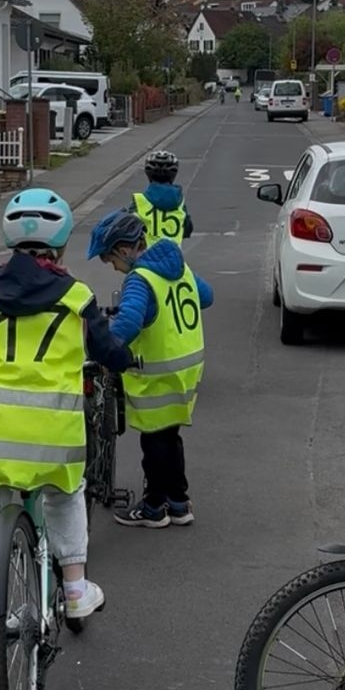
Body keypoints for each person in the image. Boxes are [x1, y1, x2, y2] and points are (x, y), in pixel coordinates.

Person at [0, 188, 134, 690]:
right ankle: (74, 587)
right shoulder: (77, 298)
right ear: (62, 246)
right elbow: (106, 348)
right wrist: (125, 358)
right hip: (52, 441)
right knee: (68, 492)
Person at [87, 209, 213, 530]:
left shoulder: (140, 279)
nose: (112, 266)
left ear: (125, 248)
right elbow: (206, 296)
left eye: (110, 258)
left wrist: (105, 350)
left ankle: (155, 506)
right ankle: (179, 502)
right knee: (170, 435)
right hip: (187, 366)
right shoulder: (176, 267)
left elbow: (128, 322)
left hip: (158, 370)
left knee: (153, 440)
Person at [131, 147, 193, 246]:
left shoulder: (139, 201)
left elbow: (129, 230)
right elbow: (187, 229)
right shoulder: (179, 202)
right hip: (174, 259)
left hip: (146, 258)